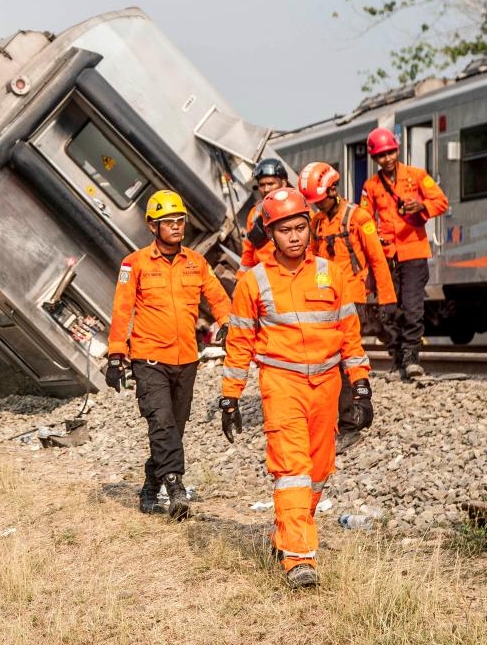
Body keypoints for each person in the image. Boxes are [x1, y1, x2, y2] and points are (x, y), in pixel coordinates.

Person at [218, 188, 372, 588]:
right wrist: (230, 396)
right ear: (271, 234)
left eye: (300, 227)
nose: (294, 237)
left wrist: (361, 385)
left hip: (326, 386)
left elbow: (349, 336)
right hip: (281, 385)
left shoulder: (330, 273)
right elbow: (238, 344)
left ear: (309, 228)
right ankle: (299, 557)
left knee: (319, 471)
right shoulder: (253, 282)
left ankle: (286, 533)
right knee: (292, 471)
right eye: (285, 230)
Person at [107, 189, 232, 520]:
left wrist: (228, 323)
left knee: (172, 430)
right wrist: (116, 354)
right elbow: (122, 310)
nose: (176, 226)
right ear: (152, 226)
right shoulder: (134, 264)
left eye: (180, 220)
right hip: (149, 360)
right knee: (161, 423)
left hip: (186, 359)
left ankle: (150, 484)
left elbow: (218, 297)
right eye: (168, 222)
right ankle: (175, 488)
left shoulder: (196, 262)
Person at [298, 162, 397, 453]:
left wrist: (387, 299)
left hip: (352, 300)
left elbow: (377, 260)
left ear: (332, 189)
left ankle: (351, 420)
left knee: (344, 361)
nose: (316, 206)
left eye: (319, 200)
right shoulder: (317, 224)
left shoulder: (358, 218)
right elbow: (311, 263)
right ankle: (335, 419)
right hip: (323, 300)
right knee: (327, 361)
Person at [361, 127, 449, 379]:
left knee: (412, 307)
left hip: (413, 252)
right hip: (386, 256)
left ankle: (411, 358)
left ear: (397, 150)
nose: (387, 158)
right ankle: (397, 357)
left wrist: (421, 205)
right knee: (388, 310)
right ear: (374, 158)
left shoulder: (417, 176)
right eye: (381, 155)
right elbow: (364, 218)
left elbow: (441, 201)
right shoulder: (371, 186)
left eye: (390, 152)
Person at [238, 158, 290, 277]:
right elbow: (248, 252)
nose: (266, 189)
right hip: (263, 278)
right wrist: (240, 279)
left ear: (283, 183)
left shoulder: (298, 208)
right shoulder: (255, 213)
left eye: (271, 184)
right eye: (262, 185)